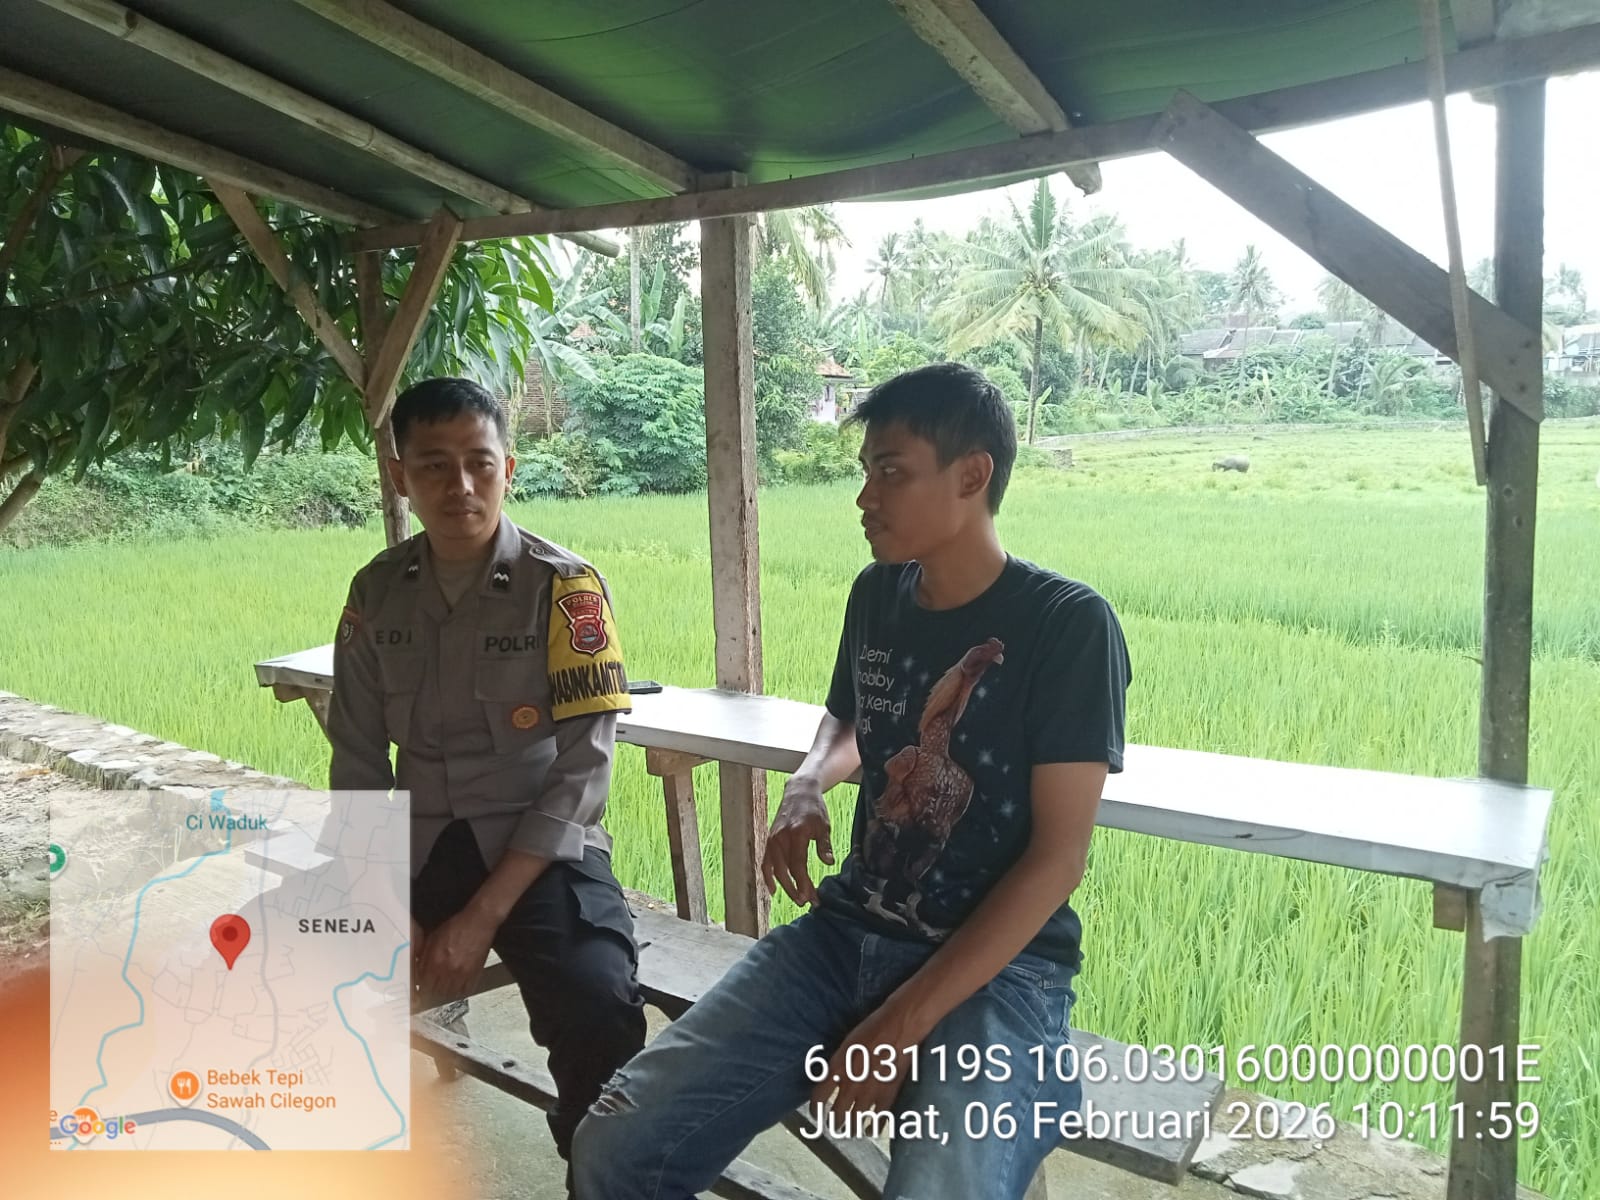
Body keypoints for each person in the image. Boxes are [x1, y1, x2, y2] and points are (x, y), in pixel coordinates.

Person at [572, 362, 1131, 1198]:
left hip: (1000, 975)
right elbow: (851, 719)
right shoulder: (878, 593)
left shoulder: (1066, 624)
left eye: (891, 472)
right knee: (616, 1145)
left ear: (972, 475)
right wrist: (807, 784)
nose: (865, 497)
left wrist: (898, 1025)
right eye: (866, 471)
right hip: (842, 938)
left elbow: (1058, 859)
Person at [327, 377, 646, 1172]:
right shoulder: (376, 593)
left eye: (479, 462)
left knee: (599, 1001)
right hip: (415, 847)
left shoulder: (564, 588)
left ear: (509, 466)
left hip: (536, 849)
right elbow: (357, 762)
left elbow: (583, 769)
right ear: (400, 476)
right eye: (434, 466)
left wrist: (480, 917)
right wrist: (382, 903)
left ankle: (598, 1175)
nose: (460, 486)